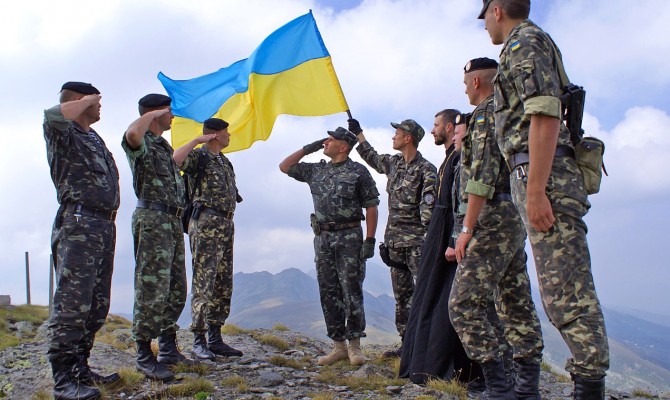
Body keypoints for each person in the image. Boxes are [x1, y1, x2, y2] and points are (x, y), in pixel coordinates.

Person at [480, 1, 610, 398]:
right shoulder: (524, 45)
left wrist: (536, 190)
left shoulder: (525, 43)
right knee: (559, 295)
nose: (485, 26)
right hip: (538, 176)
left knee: (567, 294)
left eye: (484, 16)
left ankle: (589, 389)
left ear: (497, 10)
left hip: (545, 178)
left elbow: (544, 114)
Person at [448, 57, 544, 399]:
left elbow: (482, 175)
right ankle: (526, 389)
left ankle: (500, 387)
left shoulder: (487, 113)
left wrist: (467, 227)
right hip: (512, 213)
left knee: (462, 304)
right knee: (515, 300)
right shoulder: (507, 109)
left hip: (492, 215)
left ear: (476, 82)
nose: (463, 88)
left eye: (464, 82)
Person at [44, 81, 121, 400]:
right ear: (80, 100)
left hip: (102, 225)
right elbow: (52, 114)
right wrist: (87, 98)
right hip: (78, 222)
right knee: (73, 303)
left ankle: (81, 368)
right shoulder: (63, 131)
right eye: (96, 100)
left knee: (96, 304)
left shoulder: (94, 137)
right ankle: (63, 379)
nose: (100, 106)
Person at [398, 108, 484, 389]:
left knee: (447, 300)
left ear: (451, 127)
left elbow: (463, 201)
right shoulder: (450, 159)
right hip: (441, 230)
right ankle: (423, 363)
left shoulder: (461, 160)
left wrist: (453, 238)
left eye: (437, 125)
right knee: (429, 296)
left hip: (449, 233)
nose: (434, 130)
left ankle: (448, 367)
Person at [279, 127, 380, 366]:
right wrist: (310, 147)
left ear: (344, 147)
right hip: (323, 238)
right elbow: (284, 166)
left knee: (351, 290)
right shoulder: (317, 170)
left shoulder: (358, 172)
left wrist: (370, 239)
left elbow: (372, 206)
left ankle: (355, 346)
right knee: (328, 291)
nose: (327, 141)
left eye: (332, 139)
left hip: (350, 237)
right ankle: (338, 346)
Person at [349, 118, 437, 357]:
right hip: (395, 244)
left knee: (425, 295)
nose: (393, 136)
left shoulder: (426, 170)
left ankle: (428, 347)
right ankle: (407, 345)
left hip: (418, 245)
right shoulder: (394, 163)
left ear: (408, 137)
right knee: (402, 296)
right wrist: (359, 133)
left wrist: (430, 243)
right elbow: (372, 157)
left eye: (397, 133)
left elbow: (428, 211)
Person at [122, 93, 193, 381]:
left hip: (172, 221)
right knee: (151, 286)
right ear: (156, 112)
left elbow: (176, 162)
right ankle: (143, 353)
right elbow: (132, 133)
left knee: (176, 287)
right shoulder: (140, 141)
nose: (173, 116)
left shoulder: (162, 146)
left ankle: (167, 347)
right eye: (170, 111)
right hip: (152, 219)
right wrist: (151, 114)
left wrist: (197, 142)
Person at [173, 118, 243, 360]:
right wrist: (195, 141)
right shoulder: (199, 157)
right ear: (215, 135)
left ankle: (215, 337)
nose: (229, 136)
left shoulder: (225, 162)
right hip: (205, 223)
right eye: (226, 132)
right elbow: (176, 160)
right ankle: (198, 339)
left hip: (225, 223)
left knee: (223, 281)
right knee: (205, 279)